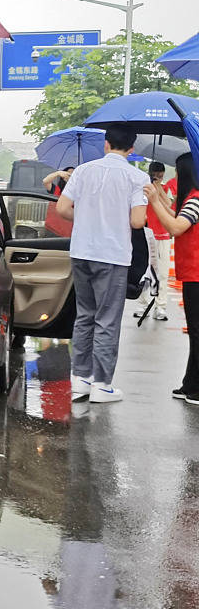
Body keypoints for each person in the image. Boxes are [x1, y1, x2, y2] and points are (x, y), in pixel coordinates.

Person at [56, 125, 148, 404]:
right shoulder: (137, 177)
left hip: (81, 251)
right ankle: (102, 384)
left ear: (106, 144)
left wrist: (87, 219)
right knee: (107, 320)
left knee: (85, 315)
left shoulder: (83, 171)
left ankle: (80, 380)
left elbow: (62, 208)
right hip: (113, 255)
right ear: (131, 149)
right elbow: (137, 221)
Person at [144, 153, 199, 404]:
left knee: (197, 332)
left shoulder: (196, 199)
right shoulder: (191, 198)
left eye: (177, 172)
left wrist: (155, 200)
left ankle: (196, 388)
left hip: (196, 274)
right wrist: (159, 198)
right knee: (195, 331)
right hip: (192, 273)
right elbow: (174, 212)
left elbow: (176, 227)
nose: (175, 177)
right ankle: (190, 383)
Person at [135, 161, 171, 321]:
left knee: (162, 273)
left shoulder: (165, 188)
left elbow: (169, 205)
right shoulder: (142, 188)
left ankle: (160, 307)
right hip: (147, 234)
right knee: (145, 273)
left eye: (160, 176)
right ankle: (142, 305)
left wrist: (159, 189)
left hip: (163, 235)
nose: (158, 178)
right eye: (156, 175)